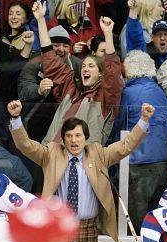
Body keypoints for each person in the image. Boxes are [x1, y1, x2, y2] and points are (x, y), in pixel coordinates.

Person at [8, 99, 154, 242]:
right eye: (69, 136)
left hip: (88, 228)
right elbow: (25, 145)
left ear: (85, 138)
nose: (74, 140)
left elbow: (125, 146)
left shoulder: (98, 154)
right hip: (59, 226)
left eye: (78, 136)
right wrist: (15, 118)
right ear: (63, 139)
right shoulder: (51, 153)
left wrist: (144, 120)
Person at [34, 1, 123, 146]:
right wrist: (40, 20)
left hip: (84, 160)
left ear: (101, 73)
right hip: (53, 155)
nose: (85, 69)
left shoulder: (107, 96)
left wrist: (107, 34)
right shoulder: (71, 87)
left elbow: (112, 72)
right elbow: (50, 59)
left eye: (91, 66)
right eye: (83, 66)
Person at [115, 49, 167, 235]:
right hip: (161, 161)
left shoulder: (129, 93)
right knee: (154, 222)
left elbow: (117, 124)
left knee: (136, 226)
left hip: (136, 163)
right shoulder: (160, 91)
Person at [18, 25, 82, 142]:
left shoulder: (78, 65)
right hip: (36, 121)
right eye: (56, 45)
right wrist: (38, 90)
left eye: (65, 46)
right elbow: (23, 90)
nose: (61, 49)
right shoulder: (34, 63)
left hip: (67, 120)